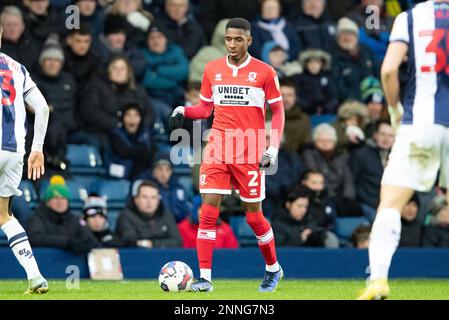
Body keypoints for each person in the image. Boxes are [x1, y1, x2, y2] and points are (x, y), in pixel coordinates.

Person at [169, 18, 285, 292]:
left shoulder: (265, 72)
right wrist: (183, 111)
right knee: (207, 211)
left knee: (254, 217)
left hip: (250, 150)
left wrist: (272, 148)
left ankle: (273, 268)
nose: (232, 45)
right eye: (228, 39)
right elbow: (205, 109)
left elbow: (278, 111)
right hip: (218, 148)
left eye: (238, 39)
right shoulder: (212, 69)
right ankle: (205, 279)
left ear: (249, 40)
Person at [358, 0, 449, 299]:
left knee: (390, 205)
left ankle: (379, 281)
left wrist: (395, 109)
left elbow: (388, 70)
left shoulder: (410, 17)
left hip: (420, 123)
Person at [0, 24, 50, 294]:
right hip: (15, 151)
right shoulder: (17, 68)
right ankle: (35, 276)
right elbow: (42, 107)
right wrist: (37, 148)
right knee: (3, 215)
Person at [27, 176, 98, 254]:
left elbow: (91, 240)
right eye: (55, 198)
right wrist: (67, 242)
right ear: (48, 201)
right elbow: (35, 238)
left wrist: (87, 245)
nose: (60, 202)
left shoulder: (75, 219)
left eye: (63, 198)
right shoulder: (37, 218)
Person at [116, 180, 183, 248]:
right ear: (136, 199)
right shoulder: (126, 216)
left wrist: (151, 244)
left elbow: (177, 241)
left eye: (153, 197)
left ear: (158, 200)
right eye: (144, 197)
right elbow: (130, 241)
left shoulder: (165, 214)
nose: (149, 201)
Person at [272, 187, 340, 248]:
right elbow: (279, 249)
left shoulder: (310, 222)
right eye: (299, 206)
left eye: (305, 206)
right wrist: (301, 239)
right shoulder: (277, 226)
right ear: (288, 205)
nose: (303, 210)